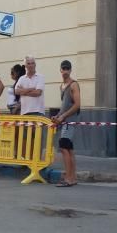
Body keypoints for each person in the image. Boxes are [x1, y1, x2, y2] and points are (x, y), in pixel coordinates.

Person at [51, 59, 81, 187]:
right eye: (63, 68)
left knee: (64, 147)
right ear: (60, 70)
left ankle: (68, 178)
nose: (65, 71)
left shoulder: (74, 85)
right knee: (69, 149)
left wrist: (62, 116)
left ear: (70, 70)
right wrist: (57, 116)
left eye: (67, 68)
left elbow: (77, 105)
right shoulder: (61, 86)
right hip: (65, 120)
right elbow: (65, 105)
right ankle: (72, 178)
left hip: (70, 121)